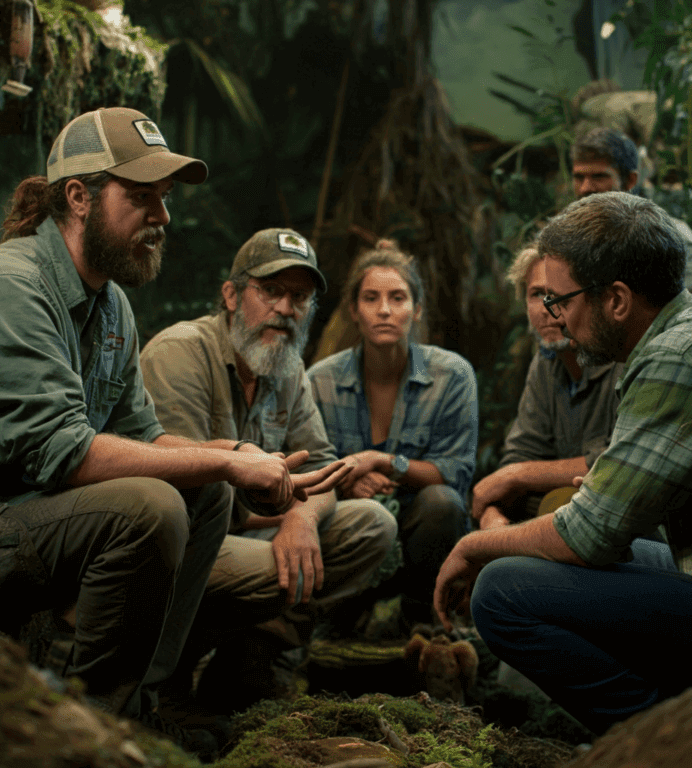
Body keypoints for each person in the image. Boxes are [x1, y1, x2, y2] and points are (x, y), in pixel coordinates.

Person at [0, 108, 350, 737]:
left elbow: (145, 436)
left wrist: (232, 457)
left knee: (201, 491)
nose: (163, 217)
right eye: (142, 197)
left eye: (166, 198)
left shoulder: (111, 303)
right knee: (150, 505)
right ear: (78, 197)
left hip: (32, 516)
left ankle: (143, 707)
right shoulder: (9, 287)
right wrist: (229, 458)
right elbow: (61, 454)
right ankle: (88, 721)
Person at [435, 191, 692, 737]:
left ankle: (653, 737)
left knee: (502, 591)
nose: (555, 317)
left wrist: (471, 543)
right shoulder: (671, 337)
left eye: (561, 300)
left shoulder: (673, 357)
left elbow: (588, 535)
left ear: (617, 299)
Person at [139, 228, 396, 711]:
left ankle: (250, 661)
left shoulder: (288, 367)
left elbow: (323, 470)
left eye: (298, 297)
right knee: (279, 569)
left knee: (372, 526)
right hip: (181, 545)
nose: (285, 308)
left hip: (253, 532)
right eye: (271, 291)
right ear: (232, 295)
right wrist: (282, 518)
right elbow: (177, 488)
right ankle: (165, 677)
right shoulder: (181, 353)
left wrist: (300, 518)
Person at [307, 241, 478, 629]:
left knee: (442, 503)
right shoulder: (319, 381)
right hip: (352, 527)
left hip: (423, 533)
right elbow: (309, 467)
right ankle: (338, 617)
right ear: (354, 311)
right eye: (371, 298)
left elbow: (455, 473)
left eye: (397, 298)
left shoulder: (451, 376)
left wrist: (385, 462)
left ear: (416, 310)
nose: (384, 310)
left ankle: (425, 619)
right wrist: (349, 483)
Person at [471, 245, 621, 530]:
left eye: (557, 294)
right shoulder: (546, 361)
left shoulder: (621, 357)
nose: (546, 308)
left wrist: (518, 475)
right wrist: (493, 514)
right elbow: (521, 452)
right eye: (537, 294)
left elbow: (621, 462)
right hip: (561, 514)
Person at [571, 127, 692, 287]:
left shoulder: (672, 238)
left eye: (599, 176)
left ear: (630, 180)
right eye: (579, 177)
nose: (585, 188)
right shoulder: (564, 239)